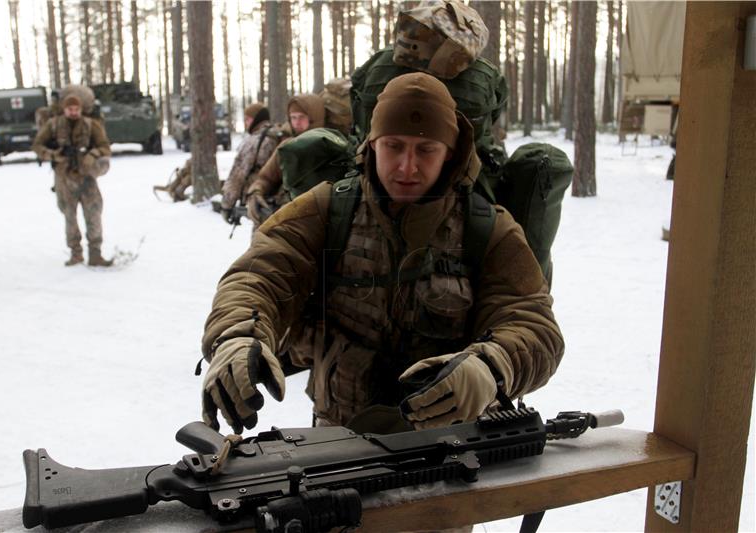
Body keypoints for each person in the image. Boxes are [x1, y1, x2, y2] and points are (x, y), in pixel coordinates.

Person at [200, 73, 563, 444]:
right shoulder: (328, 209)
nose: (407, 166)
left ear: (450, 152)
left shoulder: (488, 229)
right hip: (339, 443)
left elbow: (532, 322)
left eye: (426, 150)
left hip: (457, 446)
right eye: (394, 146)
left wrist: (492, 367)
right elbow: (259, 274)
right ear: (372, 144)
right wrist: (238, 336)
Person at [32, 92, 113, 267]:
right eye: (70, 109)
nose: (74, 112)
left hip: (87, 177)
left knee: (94, 214)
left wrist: (93, 154)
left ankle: (95, 254)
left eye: (77, 109)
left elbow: (105, 147)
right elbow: (37, 145)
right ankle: (75, 253)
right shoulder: (53, 125)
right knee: (69, 216)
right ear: (64, 109)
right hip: (64, 178)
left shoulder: (91, 126)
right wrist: (54, 155)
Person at [244, 94, 325, 227]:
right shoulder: (287, 146)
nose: (297, 122)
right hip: (286, 220)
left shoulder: (333, 145)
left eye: (302, 117)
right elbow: (265, 178)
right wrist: (256, 192)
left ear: (314, 118)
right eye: (293, 117)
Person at [220, 102, 279, 224]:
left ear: (256, 119)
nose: (246, 123)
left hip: (261, 203)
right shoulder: (277, 135)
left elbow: (237, 176)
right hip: (280, 203)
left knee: (259, 241)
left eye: (247, 119)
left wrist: (227, 205)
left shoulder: (254, 141)